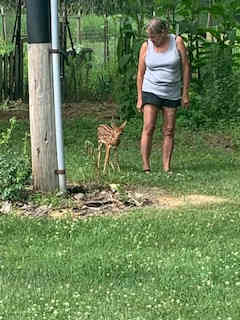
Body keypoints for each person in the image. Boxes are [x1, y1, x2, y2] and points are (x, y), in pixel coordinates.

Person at [137, 18, 190, 173]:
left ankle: (166, 166)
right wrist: (140, 97)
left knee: (169, 129)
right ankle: (146, 166)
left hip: (172, 91)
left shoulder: (177, 42)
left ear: (164, 32)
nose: (152, 40)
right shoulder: (146, 46)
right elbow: (140, 74)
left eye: (155, 37)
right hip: (150, 89)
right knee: (149, 126)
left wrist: (184, 93)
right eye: (150, 37)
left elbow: (185, 68)